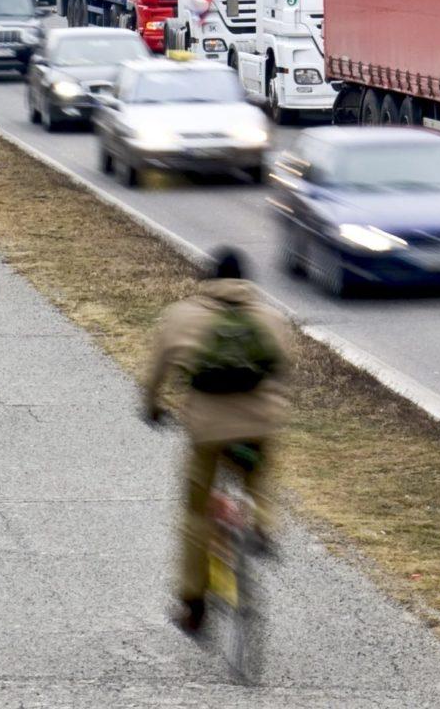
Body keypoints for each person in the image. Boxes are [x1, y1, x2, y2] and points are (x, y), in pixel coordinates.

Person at [141, 248, 294, 636]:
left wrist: (153, 407)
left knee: (195, 514)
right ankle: (261, 524)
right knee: (258, 474)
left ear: (207, 278)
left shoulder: (182, 316)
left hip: (207, 431)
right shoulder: (271, 317)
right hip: (257, 427)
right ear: (247, 280)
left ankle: (194, 605)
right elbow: (282, 370)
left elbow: (156, 374)